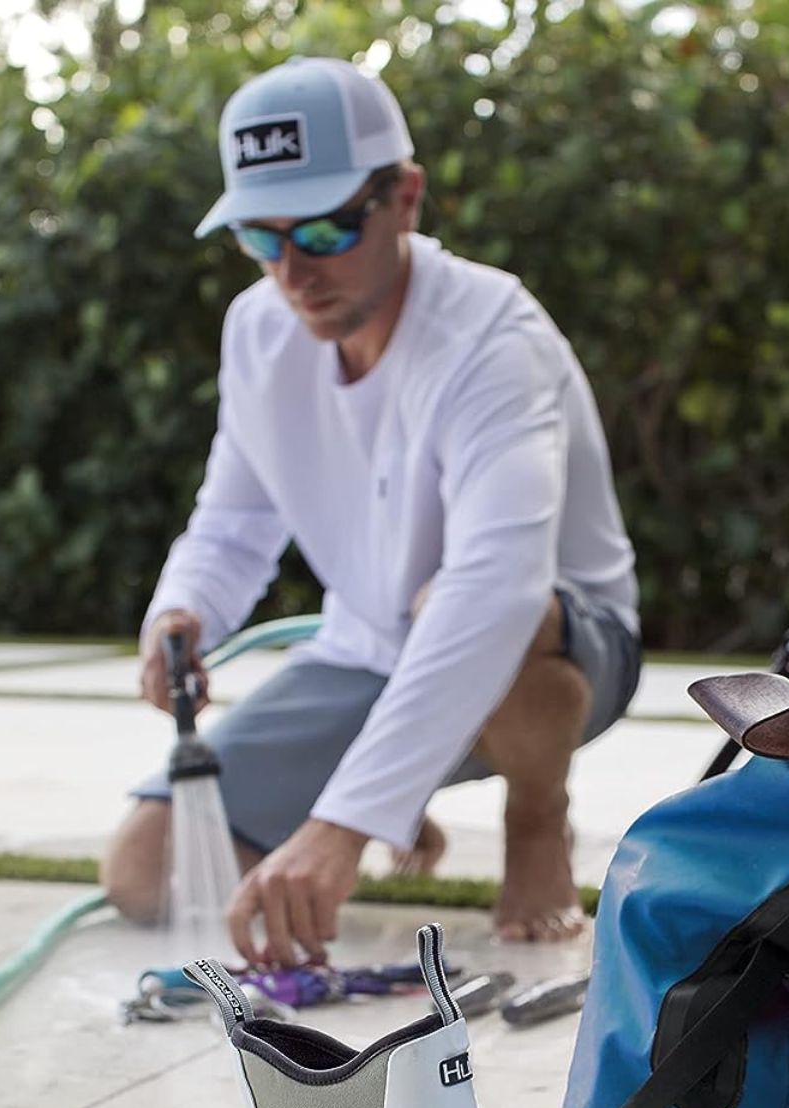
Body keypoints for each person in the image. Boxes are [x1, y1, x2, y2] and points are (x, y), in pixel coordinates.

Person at [101, 55, 641, 966]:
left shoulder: (493, 340)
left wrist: (344, 822)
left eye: (323, 227)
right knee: (144, 876)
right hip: (368, 654)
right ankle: (405, 778)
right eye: (262, 239)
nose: (294, 271)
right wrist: (180, 610)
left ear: (407, 198)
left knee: (461, 607)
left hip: (560, 651)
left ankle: (538, 821)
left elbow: (494, 592)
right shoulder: (258, 330)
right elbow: (232, 521)